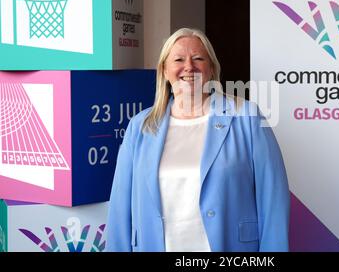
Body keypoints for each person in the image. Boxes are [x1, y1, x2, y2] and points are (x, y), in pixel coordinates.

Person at [106, 27, 290, 252]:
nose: (188, 67)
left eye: (198, 58)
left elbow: (273, 199)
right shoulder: (140, 126)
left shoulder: (246, 118)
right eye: (178, 59)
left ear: (211, 69)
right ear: (164, 70)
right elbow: (120, 207)